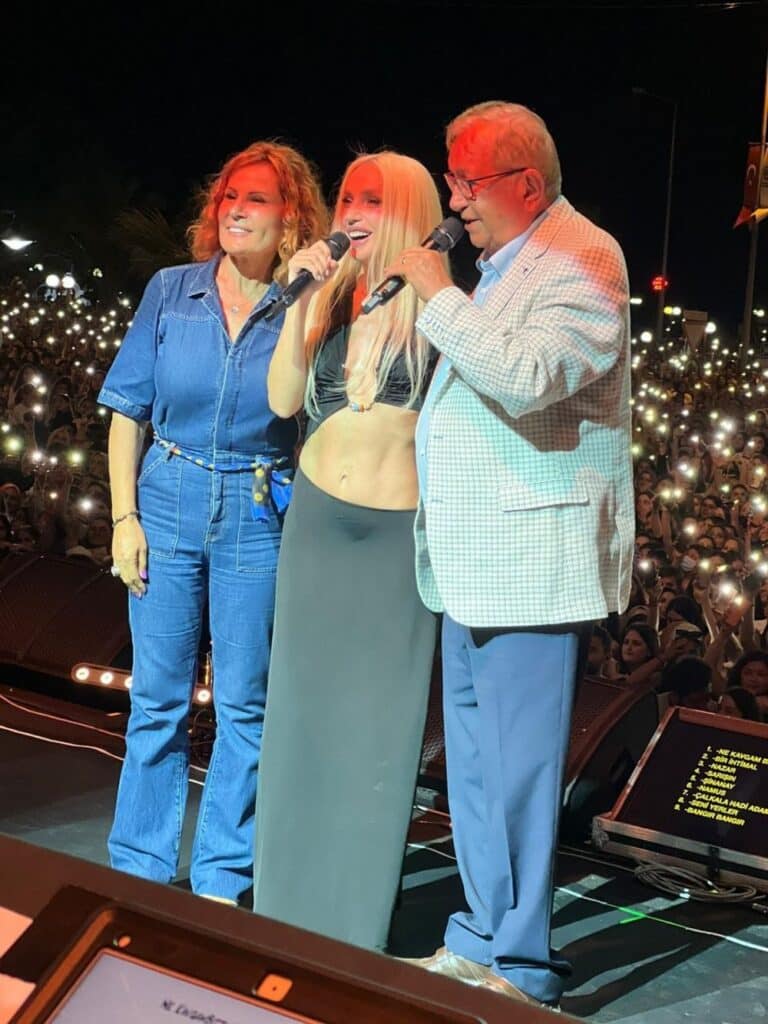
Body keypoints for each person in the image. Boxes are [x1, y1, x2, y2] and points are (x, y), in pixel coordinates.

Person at [389, 101, 634, 1009]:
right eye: (451, 179)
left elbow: (529, 379)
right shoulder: (501, 267)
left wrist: (440, 295)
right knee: (478, 771)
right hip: (473, 561)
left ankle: (522, 965)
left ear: (525, 183)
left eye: (466, 181)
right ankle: (482, 938)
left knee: (520, 776)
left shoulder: (587, 257)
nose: (453, 199)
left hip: (532, 565)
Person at [99, 141, 327, 904]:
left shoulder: (302, 306)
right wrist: (124, 518)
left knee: (244, 708)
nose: (235, 209)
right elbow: (126, 409)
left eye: (256, 199)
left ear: (290, 217)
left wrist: (307, 297)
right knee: (156, 700)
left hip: (258, 509)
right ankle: (139, 868)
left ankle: (221, 878)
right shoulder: (172, 291)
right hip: (166, 499)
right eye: (229, 196)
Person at [252, 151, 444, 949]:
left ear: (407, 210)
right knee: (299, 716)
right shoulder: (327, 294)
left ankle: (351, 922)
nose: (353, 213)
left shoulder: (439, 301)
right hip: (318, 527)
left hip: (394, 540)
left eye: (373, 200)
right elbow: (282, 400)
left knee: (375, 732)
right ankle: (281, 907)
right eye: (347, 199)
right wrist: (299, 300)